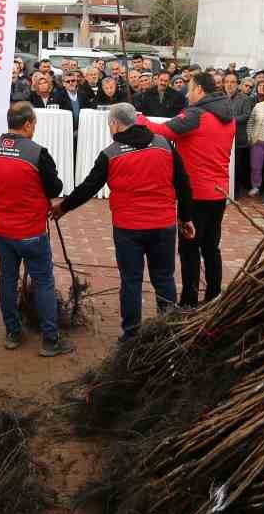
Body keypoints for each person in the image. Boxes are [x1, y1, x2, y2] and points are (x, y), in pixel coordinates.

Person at [53, 103, 194, 342]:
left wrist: (63, 208)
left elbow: (89, 187)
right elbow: (183, 184)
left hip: (128, 228)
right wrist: (186, 217)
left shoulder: (111, 154)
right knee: (164, 278)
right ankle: (168, 331)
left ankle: (131, 335)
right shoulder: (165, 146)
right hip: (163, 225)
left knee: (131, 280)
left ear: (115, 124)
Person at [0, 102, 72, 356]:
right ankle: (50, 339)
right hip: (31, 231)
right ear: (28, 124)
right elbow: (54, 188)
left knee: (7, 279)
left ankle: (12, 333)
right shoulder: (37, 153)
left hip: (0, 229)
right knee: (43, 281)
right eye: (35, 124)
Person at [144, 71, 235, 307]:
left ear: (200, 91)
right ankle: (214, 296)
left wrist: (139, 119)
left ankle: (188, 300)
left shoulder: (196, 114)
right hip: (219, 191)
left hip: (195, 193)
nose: (186, 93)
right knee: (211, 247)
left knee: (189, 248)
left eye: (190, 88)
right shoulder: (228, 115)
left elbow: (164, 131)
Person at [220, 71, 255, 196]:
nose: (229, 85)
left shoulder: (245, 99)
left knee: (237, 168)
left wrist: (230, 120)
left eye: (233, 82)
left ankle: (234, 192)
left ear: (238, 84)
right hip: (222, 140)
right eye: (227, 82)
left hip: (238, 139)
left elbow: (246, 115)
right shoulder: (219, 98)